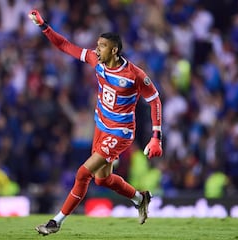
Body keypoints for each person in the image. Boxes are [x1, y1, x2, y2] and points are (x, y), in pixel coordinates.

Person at [28, 10, 163, 236]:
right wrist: (44, 26)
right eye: (97, 45)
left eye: (101, 46)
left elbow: (155, 100)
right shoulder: (95, 60)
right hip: (101, 127)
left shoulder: (134, 75)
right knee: (103, 180)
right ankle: (141, 198)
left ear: (114, 50)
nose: (96, 49)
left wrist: (156, 136)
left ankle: (56, 222)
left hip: (120, 132)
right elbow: (65, 46)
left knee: (83, 173)